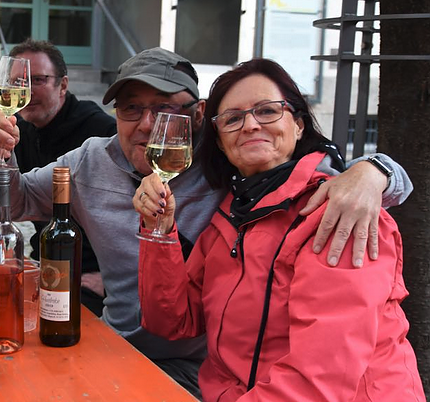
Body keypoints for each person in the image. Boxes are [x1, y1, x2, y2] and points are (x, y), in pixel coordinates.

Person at [0, 47, 412, 396]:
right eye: (131, 109)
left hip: (206, 364)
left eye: (165, 109)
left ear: (199, 117)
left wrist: (375, 171)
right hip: (124, 344)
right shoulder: (94, 161)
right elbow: (12, 205)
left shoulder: (228, 171)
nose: (148, 126)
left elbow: (311, 171)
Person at [135, 58, 423, 401]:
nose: (250, 125)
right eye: (232, 118)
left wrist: (377, 170)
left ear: (299, 125)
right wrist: (159, 232)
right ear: (221, 143)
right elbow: (172, 322)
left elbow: (318, 380)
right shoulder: (232, 214)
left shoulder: (338, 212)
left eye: (267, 111)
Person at [0, 39, 117, 315]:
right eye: (19, 82)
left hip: (90, 279)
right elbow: (11, 191)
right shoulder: (21, 128)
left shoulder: (100, 132)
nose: (27, 91)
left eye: (39, 80)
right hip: (44, 266)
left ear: (63, 85)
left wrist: (110, 280)